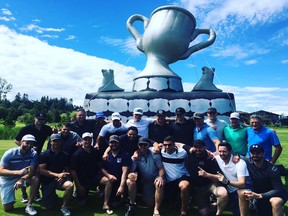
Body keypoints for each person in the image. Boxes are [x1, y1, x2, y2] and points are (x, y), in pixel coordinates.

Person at [182, 139, 228, 216]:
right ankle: (214, 204)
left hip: (210, 185)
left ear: (204, 147)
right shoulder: (190, 153)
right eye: (195, 147)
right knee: (204, 213)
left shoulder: (210, 158)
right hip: (198, 188)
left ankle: (218, 213)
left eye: (200, 147)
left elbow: (219, 177)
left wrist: (207, 175)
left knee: (223, 193)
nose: (198, 149)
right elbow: (178, 144)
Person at [15, 112, 52, 202]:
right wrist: (28, 147)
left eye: (42, 119)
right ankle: (24, 194)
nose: (40, 121)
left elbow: (53, 137)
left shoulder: (47, 128)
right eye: (38, 119)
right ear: (35, 118)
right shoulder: (27, 128)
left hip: (38, 155)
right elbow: (16, 140)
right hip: (26, 154)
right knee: (24, 172)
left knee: (37, 173)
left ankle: (35, 193)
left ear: (44, 120)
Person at [243, 144, 288, 216]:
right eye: (253, 153)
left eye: (258, 153)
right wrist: (236, 157)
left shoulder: (272, 169)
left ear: (263, 154)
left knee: (275, 202)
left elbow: (278, 189)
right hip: (260, 194)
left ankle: (280, 208)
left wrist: (260, 196)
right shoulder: (248, 161)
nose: (255, 155)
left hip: (276, 194)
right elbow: (235, 156)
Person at [0, 134, 39, 216]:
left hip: (22, 177)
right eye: (27, 143)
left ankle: (29, 205)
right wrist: (17, 172)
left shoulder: (33, 153)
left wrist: (22, 179)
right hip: (7, 179)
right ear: (21, 142)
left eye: (32, 144)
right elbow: (1, 170)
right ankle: (10, 199)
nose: (29, 145)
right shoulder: (10, 153)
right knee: (8, 208)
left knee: (35, 178)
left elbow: (32, 171)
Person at [126, 137, 165, 216]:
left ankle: (156, 210)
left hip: (156, 177)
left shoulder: (155, 154)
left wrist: (160, 177)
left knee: (159, 183)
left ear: (148, 145)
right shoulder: (135, 156)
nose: (143, 146)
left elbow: (161, 168)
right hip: (146, 180)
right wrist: (131, 174)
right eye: (141, 145)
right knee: (150, 204)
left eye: (145, 145)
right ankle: (132, 204)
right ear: (138, 145)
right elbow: (131, 170)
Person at [39, 134, 73, 216]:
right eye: (54, 141)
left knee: (70, 185)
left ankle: (64, 206)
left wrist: (65, 175)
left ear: (61, 142)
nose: (56, 143)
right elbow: (41, 170)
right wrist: (57, 175)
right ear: (51, 142)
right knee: (49, 206)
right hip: (47, 180)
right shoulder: (45, 154)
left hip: (60, 180)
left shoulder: (65, 155)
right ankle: (52, 196)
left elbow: (67, 170)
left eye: (58, 141)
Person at [214, 142, 250, 216]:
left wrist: (226, 182)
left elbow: (242, 184)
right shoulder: (217, 158)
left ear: (230, 151)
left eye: (224, 151)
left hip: (238, 190)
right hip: (227, 190)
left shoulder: (239, 163)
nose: (221, 153)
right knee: (209, 211)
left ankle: (252, 204)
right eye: (220, 151)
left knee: (238, 213)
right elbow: (206, 153)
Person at [100, 135, 131, 215]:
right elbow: (102, 168)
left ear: (119, 143)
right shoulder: (106, 155)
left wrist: (121, 186)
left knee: (115, 204)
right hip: (109, 179)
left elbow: (125, 172)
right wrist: (109, 175)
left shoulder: (125, 155)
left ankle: (122, 199)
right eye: (111, 142)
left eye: (115, 143)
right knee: (108, 181)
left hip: (119, 181)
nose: (113, 144)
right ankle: (105, 203)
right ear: (109, 144)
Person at [159, 136, 190, 216]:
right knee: (171, 205)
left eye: (169, 145)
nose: (167, 147)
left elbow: (187, 162)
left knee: (184, 186)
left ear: (174, 144)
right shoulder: (161, 151)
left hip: (181, 177)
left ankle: (183, 210)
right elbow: (143, 148)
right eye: (165, 145)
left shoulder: (182, 152)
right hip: (169, 180)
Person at [70, 132, 102, 206]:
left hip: (94, 177)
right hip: (83, 179)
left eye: (89, 139)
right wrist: (78, 186)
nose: (87, 141)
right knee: (81, 204)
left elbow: (100, 164)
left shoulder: (95, 151)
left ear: (91, 140)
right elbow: (73, 170)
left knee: (107, 181)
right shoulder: (76, 154)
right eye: (85, 140)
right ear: (82, 140)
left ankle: (101, 190)